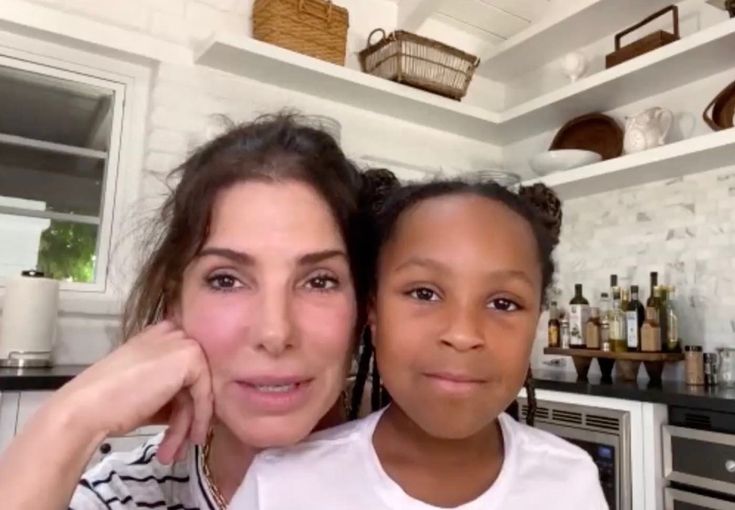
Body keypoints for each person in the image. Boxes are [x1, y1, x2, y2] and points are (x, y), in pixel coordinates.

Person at [0, 114, 381, 510]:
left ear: (363, 309)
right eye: (226, 280)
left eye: (319, 281)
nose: (274, 332)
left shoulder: (424, 485)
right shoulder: (122, 495)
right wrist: (69, 422)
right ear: (174, 306)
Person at [230, 178, 608, 509]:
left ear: (537, 324)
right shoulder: (280, 486)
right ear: (373, 313)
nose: (462, 334)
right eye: (424, 293)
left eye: (503, 303)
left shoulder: (571, 480)